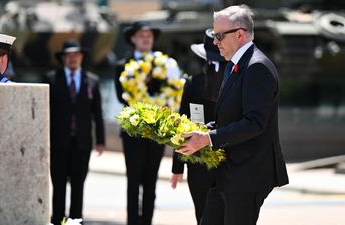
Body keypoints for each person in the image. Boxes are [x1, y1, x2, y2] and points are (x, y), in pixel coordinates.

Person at [176, 5, 289, 225]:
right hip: (228, 172)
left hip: (248, 174)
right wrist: (203, 130)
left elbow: (254, 123)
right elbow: (230, 116)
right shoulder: (234, 64)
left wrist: (208, 139)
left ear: (239, 34)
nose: (215, 41)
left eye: (219, 35)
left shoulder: (257, 67)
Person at [114, 21, 181, 225]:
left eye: (149, 35)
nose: (146, 38)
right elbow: (121, 96)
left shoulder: (166, 65)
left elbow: (173, 92)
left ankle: (147, 221)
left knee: (151, 181)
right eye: (141, 35)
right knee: (133, 181)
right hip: (132, 131)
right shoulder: (123, 65)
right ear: (133, 38)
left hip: (156, 131)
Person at [170, 29, 226, 225]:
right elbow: (181, 124)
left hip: (226, 161)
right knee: (203, 215)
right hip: (199, 162)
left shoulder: (235, 82)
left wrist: (178, 167)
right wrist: (177, 166)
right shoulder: (193, 84)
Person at [48, 40, 105, 225]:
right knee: (58, 185)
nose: (72, 58)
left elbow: (98, 113)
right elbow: (43, 112)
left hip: (82, 142)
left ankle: (75, 221)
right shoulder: (51, 79)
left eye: (76, 55)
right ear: (63, 58)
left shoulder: (93, 81)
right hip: (58, 142)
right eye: (69, 55)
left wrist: (101, 140)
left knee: (78, 185)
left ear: (81, 57)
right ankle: (57, 220)